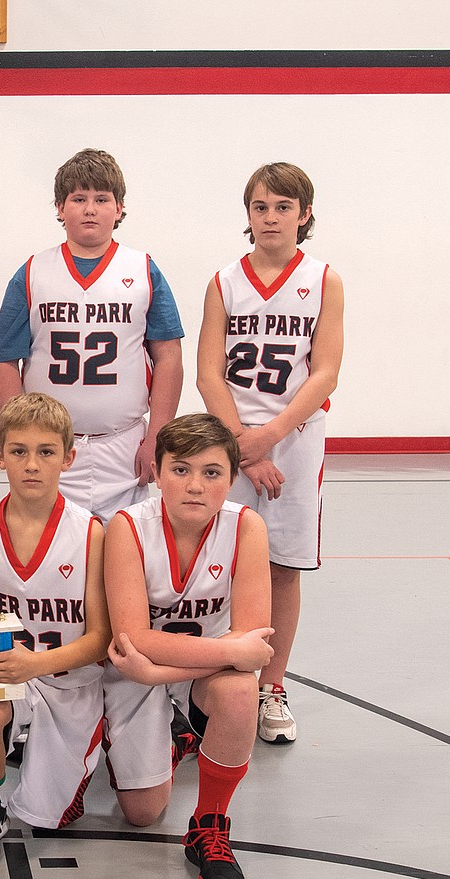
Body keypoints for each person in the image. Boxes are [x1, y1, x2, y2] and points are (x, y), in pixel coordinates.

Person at [196, 162, 344, 744]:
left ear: (304, 214)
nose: (271, 217)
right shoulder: (223, 281)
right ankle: (208, 678)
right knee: (215, 564)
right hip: (229, 438)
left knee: (283, 566)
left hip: (297, 440)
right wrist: (245, 448)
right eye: (261, 207)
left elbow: (326, 372)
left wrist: (272, 433)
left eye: (283, 207)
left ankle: (271, 686)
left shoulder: (324, 279)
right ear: (248, 214)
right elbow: (210, 373)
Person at [103, 414, 274, 879]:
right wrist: (224, 652)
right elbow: (134, 635)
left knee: (243, 692)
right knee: (141, 814)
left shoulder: (246, 527)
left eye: (212, 472)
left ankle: (209, 825)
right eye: (180, 470)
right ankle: (179, 736)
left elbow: (253, 647)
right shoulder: (126, 527)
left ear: (233, 478)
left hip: (191, 673)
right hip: (136, 675)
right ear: (156, 473)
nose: (195, 485)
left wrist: (159, 671)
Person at [0, 148, 184, 522]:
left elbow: (169, 356)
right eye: (78, 199)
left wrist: (157, 433)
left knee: (123, 557)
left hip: (124, 444)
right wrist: (19, 435)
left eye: (101, 199)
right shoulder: (32, 272)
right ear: (60, 207)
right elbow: (3, 359)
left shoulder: (143, 269)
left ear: (120, 207)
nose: (90, 209)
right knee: (55, 555)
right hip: (51, 446)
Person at [0, 393, 110, 868]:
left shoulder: (90, 532)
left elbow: (101, 638)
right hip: (8, 675)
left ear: (68, 458)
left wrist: (36, 664)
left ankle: (94, 740)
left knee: (50, 818)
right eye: (18, 451)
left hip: (67, 679)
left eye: (46, 452)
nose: (32, 464)